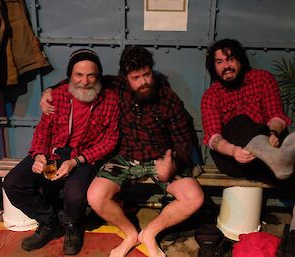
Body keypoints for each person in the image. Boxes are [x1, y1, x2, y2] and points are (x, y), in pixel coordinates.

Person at [40, 46, 204, 257]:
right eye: (136, 77)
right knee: (96, 196)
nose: (143, 81)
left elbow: (183, 141)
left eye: (146, 75)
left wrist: (174, 163)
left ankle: (150, 233)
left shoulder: (169, 99)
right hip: (125, 157)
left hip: (159, 158)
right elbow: (82, 81)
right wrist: (49, 91)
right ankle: (130, 234)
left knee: (194, 197)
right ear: (125, 77)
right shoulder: (116, 86)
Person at [3, 49, 119, 255]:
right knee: (12, 183)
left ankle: (72, 225)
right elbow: (43, 129)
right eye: (79, 75)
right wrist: (39, 154)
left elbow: (110, 140)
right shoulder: (57, 95)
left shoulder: (110, 99)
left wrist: (77, 161)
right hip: (52, 153)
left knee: (74, 194)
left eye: (91, 75)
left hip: (83, 156)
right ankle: (49, 222)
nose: (85, 81)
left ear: (98, 75)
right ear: (70, 76)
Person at [201, 38, 295, 257]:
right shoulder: (212, 95)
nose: (226, 65)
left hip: (267, 156)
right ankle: (276, 158)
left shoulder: (262, 79)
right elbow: (213, 137)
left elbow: (276, 115)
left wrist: (272, 133)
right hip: (233, 157)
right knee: (239, 122)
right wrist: (234, 151)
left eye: (230, 59)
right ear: (214, 67)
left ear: (240, 60)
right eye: (219, 61)